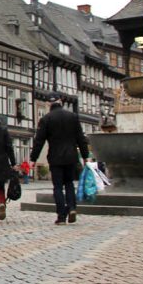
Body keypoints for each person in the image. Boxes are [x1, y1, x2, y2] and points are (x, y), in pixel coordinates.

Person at [30, 92, 89, 225]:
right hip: (71, 156)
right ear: (60, 101)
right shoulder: (73, 117)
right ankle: (72, 208)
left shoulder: (46, 119)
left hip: (55, 157)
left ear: (48, 104)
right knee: (69, 184)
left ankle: (61, 216)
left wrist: (33, 159)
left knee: (57, 187)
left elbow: (39, 141)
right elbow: (81, 138)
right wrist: (85, 156)